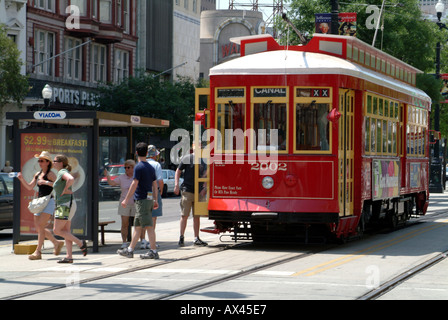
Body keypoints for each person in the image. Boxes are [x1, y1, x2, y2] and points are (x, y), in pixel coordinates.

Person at [17, 151, 63, 260]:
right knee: (39, 227)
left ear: (48, 162)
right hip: (39, 202)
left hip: (49, 202)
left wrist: (46, 182)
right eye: (39, 160)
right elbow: (29, 187)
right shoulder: (38, 174)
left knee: (41, 226)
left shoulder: (51, 174)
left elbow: (59, 186)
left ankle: (38, 251)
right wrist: (21, 179)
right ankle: (56, 242)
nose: (40, 162)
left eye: (42, 161)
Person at [117, 142, 159, 259]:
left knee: (148, 226)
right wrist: (155, 200)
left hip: (142, 200)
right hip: (148, 200)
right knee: (138, 226)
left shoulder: (139, 167)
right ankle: (130, 250)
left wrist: (125, 199)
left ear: (136, 153)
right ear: (147, 153)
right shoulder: (150, 167)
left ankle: (153, 251)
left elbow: (134, 184)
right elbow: (154, 185)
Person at [52, 154, 87, 263]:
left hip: (64, 205)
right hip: (69, 204)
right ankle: (69, 256)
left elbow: (71, 179)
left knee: (57, 230)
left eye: (55, 161)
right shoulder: (60, 173)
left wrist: (65, 189)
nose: (53, 162)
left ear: (61, 163)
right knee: (66, 231)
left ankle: (80, 243)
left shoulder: (62, 172)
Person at [174, 148, 208, 247]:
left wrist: (204, 188)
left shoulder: (203, 160)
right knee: (184, 215)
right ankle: (181, 237)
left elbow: (206, 174)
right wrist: (176, 185)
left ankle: (196, 237)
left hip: (199, 192)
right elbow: (178, 171)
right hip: (187, 190)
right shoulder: (187, 158)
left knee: (196, 216)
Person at [104, 159, 136, 248]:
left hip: (136, 202)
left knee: (138, 223)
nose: (126, 169)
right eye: (125, 167)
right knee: (124, 224)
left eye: (128, 167)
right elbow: (112, 183)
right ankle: (124, 242)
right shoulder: (122, 177)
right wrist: (108, 176)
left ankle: (142, 240)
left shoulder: (137, 177)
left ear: (133, 168)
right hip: (124, 203)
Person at [146, 145, 163, 248]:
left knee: (144, 216)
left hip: (143, 194)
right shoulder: (156, 164)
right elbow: (160, 181)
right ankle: (151, 241)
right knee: (153, 218)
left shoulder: (141, 163)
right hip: (153, 194)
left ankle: (143, 240)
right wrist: (160, 191)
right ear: (155, 155)